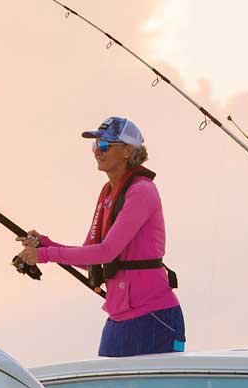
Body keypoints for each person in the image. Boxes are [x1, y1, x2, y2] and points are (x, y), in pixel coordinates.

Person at [16, 116, 184, 357]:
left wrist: (44, 255)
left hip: (154, 317)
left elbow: (107, 251)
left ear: (127, 151)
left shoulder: (142, 191)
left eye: (105, 145)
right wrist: (46, 243)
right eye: (95, 145)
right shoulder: (108, 192)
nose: (98, 151)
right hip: (119, 318)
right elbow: (89, 257)